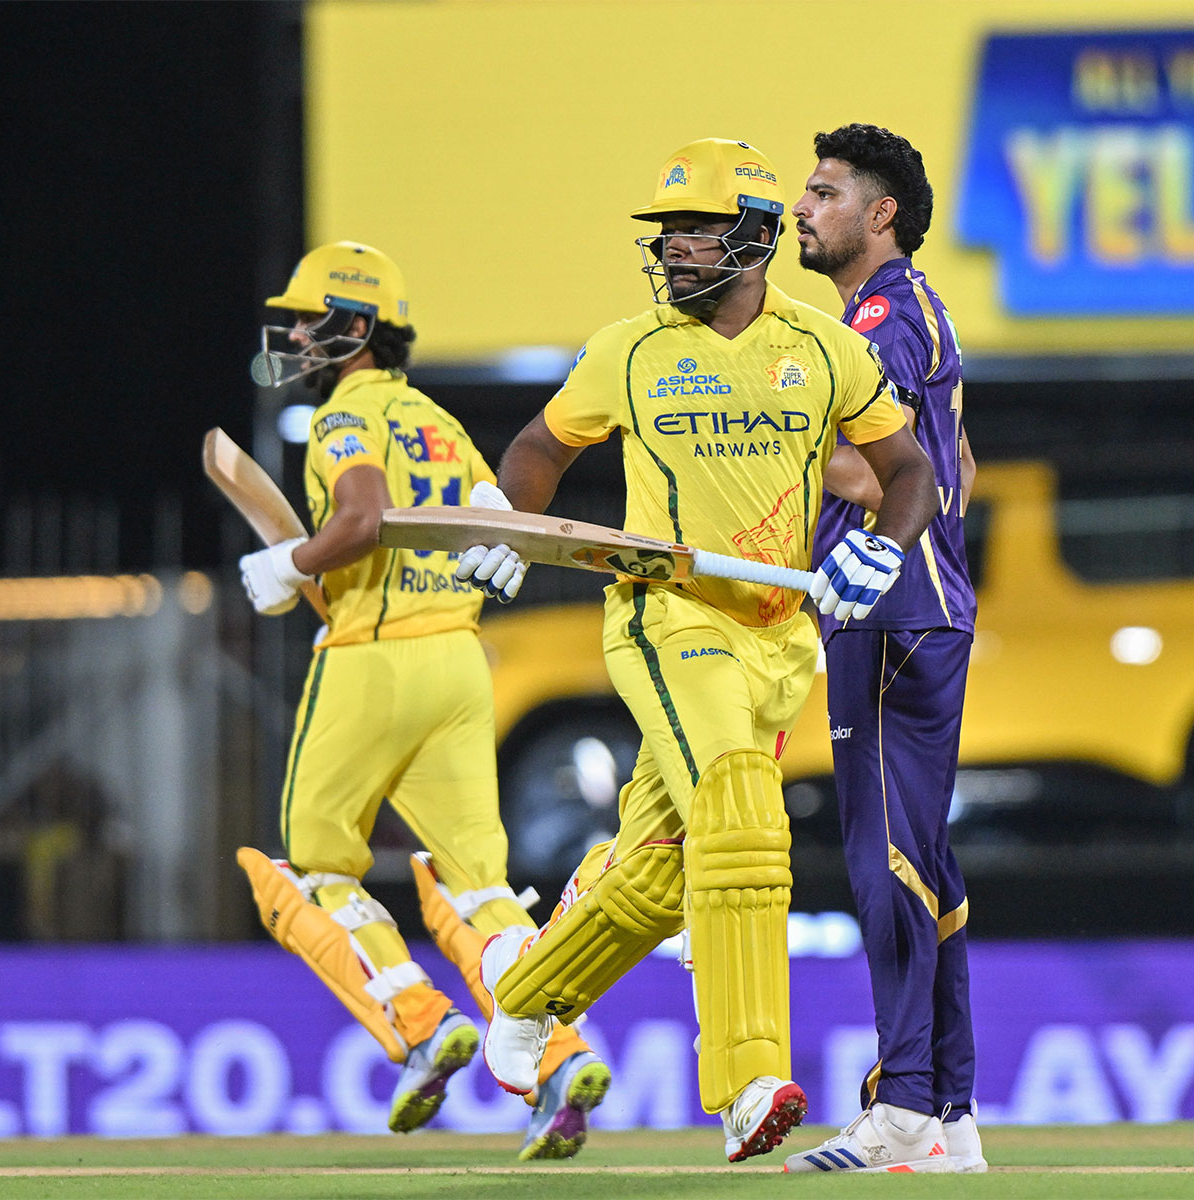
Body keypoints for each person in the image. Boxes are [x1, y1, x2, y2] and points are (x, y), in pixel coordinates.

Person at [455, 140, 938, 1163]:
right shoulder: (628, 349)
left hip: (779, 637)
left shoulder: (822, 348)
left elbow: (909, 472)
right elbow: (541, 448)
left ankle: (527, 997)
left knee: (658, 875)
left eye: (697, 230)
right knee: (739, 810)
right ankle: (747, 1078)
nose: (675, 249)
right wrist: (508, 524)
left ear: (757, 236)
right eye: (666, 232)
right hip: (669, 618)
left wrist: (878, 557)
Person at [233, 240, 610, 1159]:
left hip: (373, 659)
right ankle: (554, 1057)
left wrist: (289, 562)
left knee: (310, 873)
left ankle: (416, 1021)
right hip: (458, 661)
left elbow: (357, 520)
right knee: (480, 886)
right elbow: (499, 520)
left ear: (355, 329)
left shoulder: (344, 418)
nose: (294, 338)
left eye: (308, 322)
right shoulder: (440, 420)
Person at [781, 124, 986, 1175]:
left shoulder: (874, 321)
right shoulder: (918, 311)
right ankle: (946, 1113)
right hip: (924, 608)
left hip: (891, 613)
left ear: (880, 213)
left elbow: (876, 474)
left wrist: (764, 454)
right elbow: (960, 461)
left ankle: (903, 1107)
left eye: (821, 192)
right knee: (926, 862)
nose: (799, 209)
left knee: (885, 860)